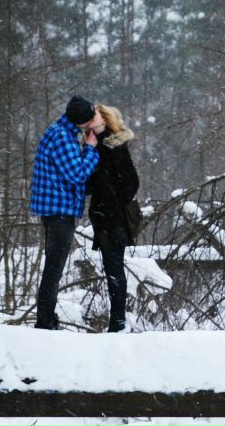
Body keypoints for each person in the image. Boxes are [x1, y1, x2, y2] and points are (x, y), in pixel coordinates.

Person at [30, 95, 102, 330]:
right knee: (54, 269)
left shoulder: (61, 132)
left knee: (53, 268)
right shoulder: (62, 137)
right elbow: (77, 174)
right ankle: (45, 322)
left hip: (56, 211)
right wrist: (91, 149)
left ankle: (47, 319)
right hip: (59, 212)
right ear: (82, 121)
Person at [86, 104, 140, 333]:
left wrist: (113, 201)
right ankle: (117, 321)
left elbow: (131, 182)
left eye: (96, 113)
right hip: (104, 216)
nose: (91, 116)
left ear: (105, 119)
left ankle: (117, 322)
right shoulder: (96, 144)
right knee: (112, 266)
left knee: (114, 267)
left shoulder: (112, 145)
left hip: (112, 217)